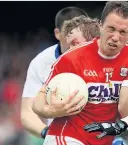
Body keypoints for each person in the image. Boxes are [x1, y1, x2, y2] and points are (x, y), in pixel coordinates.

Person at [32, 1, 128, 145]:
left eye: (123, 32)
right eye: (111, 29)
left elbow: (126, 110)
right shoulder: (71, 59)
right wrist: (52, 111)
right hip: (66, 137)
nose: (116, 37)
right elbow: (38, 103)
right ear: (101, 25)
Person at [21, 6, 88, 140]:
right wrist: (47, 132)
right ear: (57, 33)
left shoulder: (105, 56)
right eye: (69, 32)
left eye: (81, 31)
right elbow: (27, 112)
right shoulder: (41, 63)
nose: (74, 38)